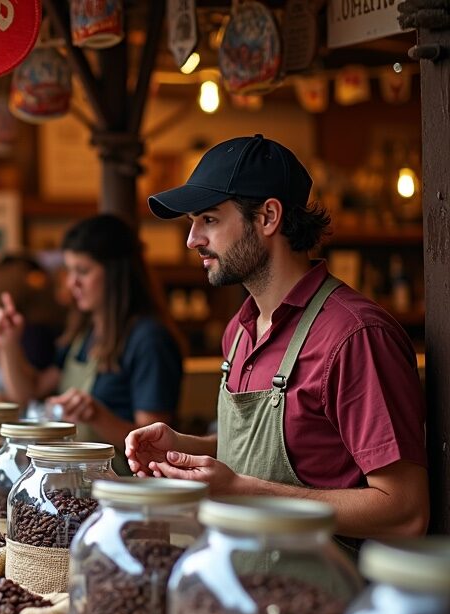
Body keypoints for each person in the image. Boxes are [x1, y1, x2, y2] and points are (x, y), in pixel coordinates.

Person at [127, 133, 428, 540]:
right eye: (192, 223)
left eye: (209, 219)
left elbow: (405, 510)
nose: (192, 239)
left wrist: (244, 492)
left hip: (327, 593)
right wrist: (186, 447)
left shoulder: (355, 336)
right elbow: (286, 448)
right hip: (238, 580)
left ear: (268, 217)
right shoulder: (239, 330)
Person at [0, 214, 184, 463]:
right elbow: (28, 393)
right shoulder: (84, 334)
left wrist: (96, 415)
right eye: (69, 270)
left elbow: (155, 448)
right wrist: (8, 345)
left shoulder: (149, 340)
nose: (71, 283)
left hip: (124, 488)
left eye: (83, 271)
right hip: (77, 483)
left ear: (116, 274)